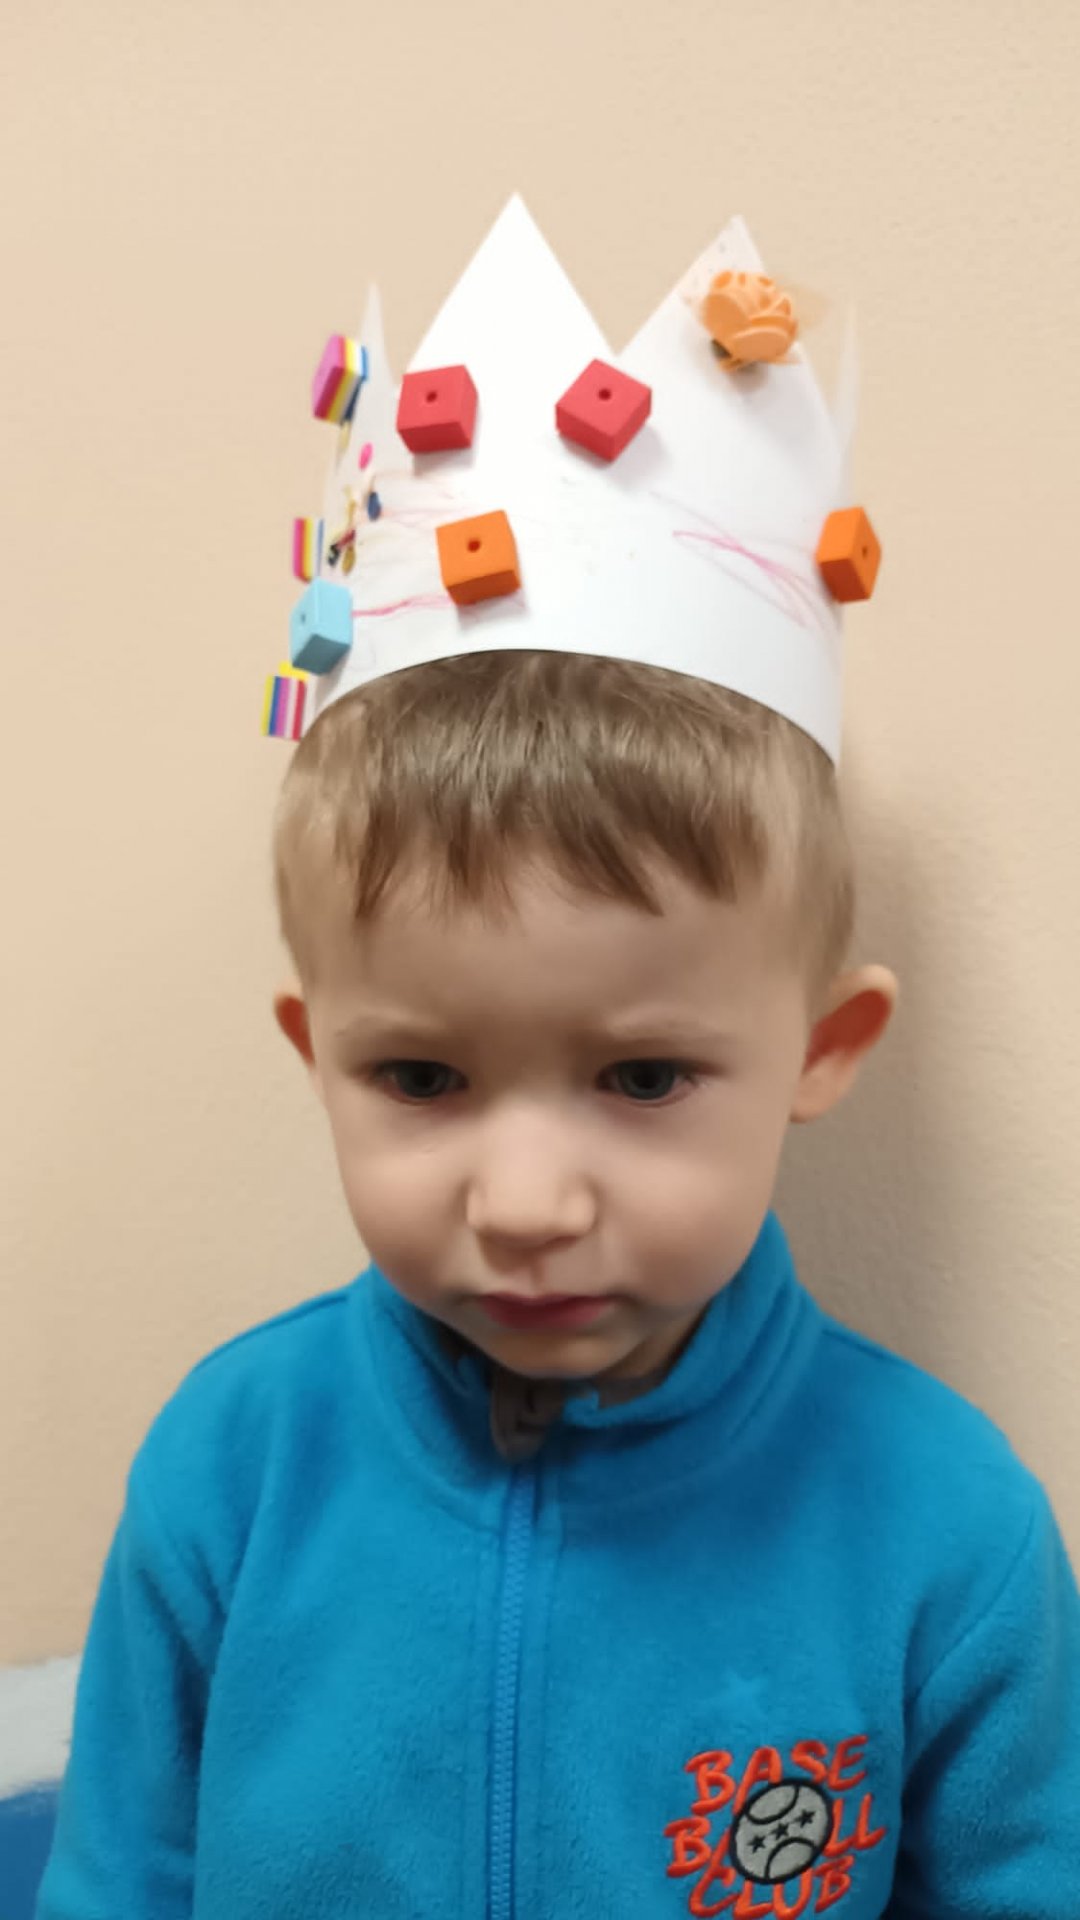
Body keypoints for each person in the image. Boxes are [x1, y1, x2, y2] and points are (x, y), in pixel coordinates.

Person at [36, 201, 1080, 1917]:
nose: (524, 1205)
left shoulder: (943, 1529)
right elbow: (116, 1878)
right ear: (315, 1052)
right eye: (421, 1080)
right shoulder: (235, 1464)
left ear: (823, 1050)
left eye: (645, 1078)